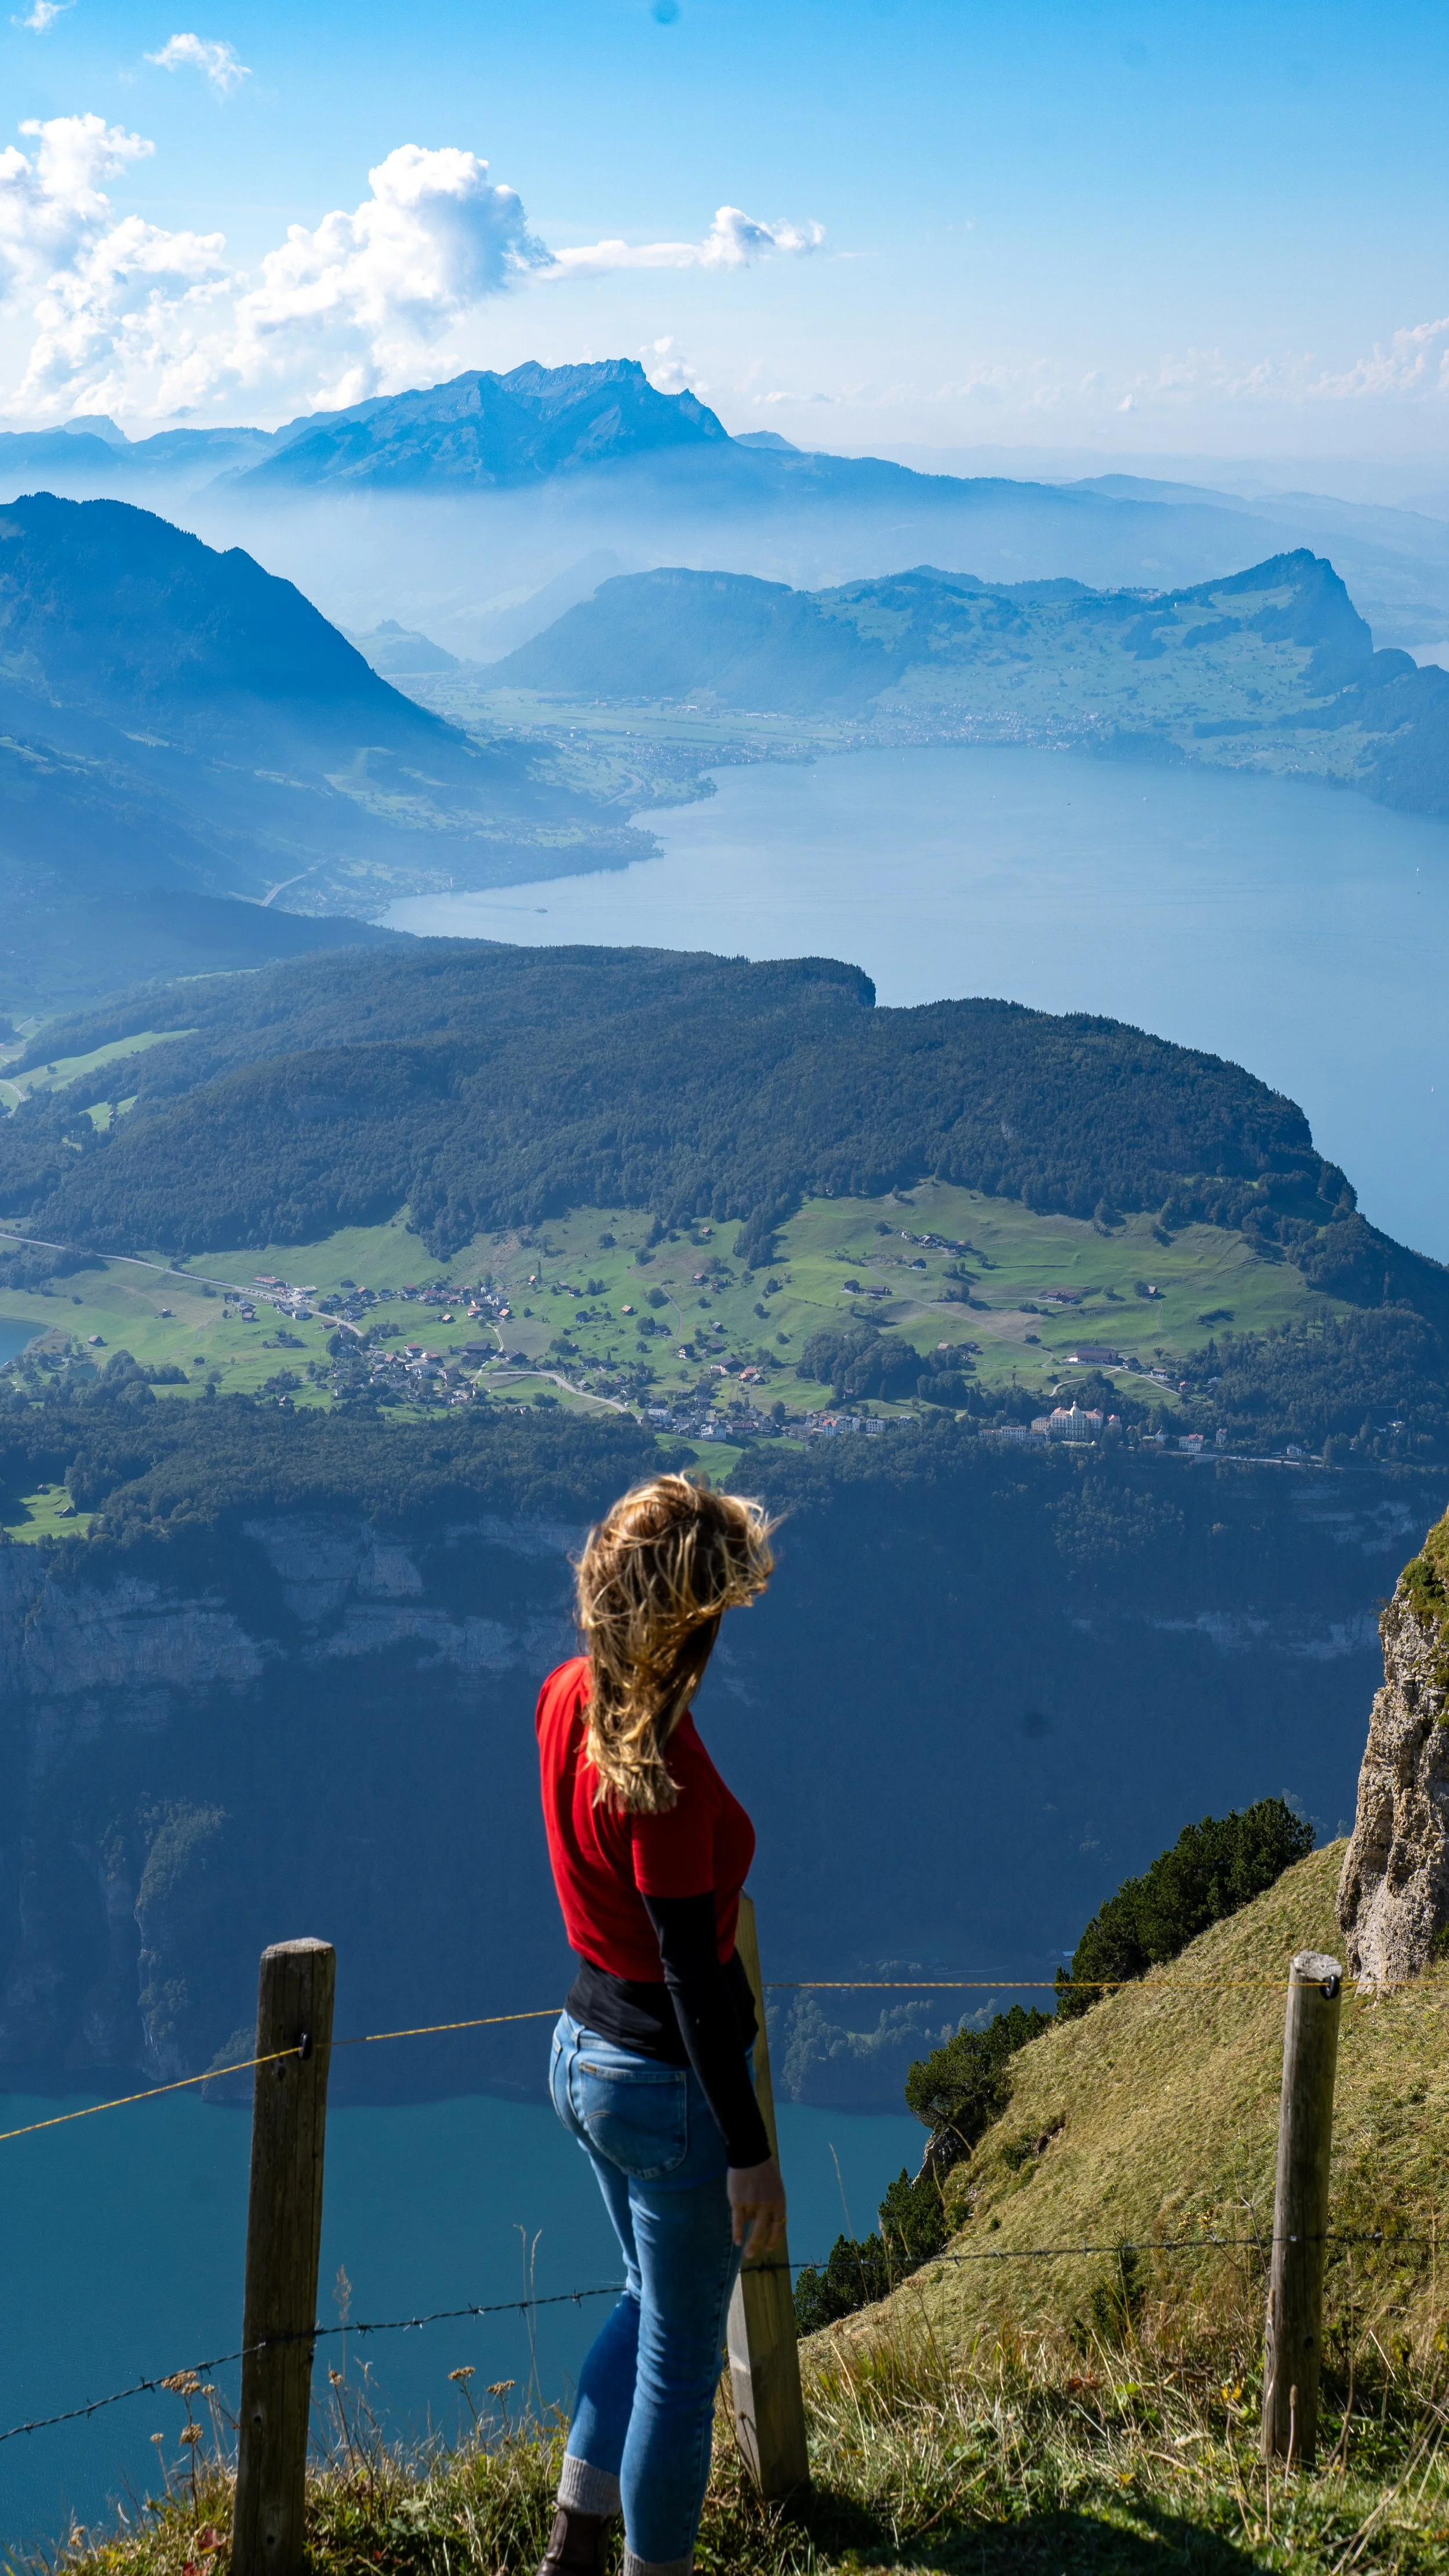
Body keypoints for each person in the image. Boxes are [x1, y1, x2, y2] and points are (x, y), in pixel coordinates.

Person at [534, 1473, 787, 2576]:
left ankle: (572, 2550)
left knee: (644, 2300)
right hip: (666, 2087)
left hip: (581, 2052)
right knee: (683, 2366)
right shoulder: (663, 1779)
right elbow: (691, 1973)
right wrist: (750, 2153)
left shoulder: (561, 1698)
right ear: (688, 1625)